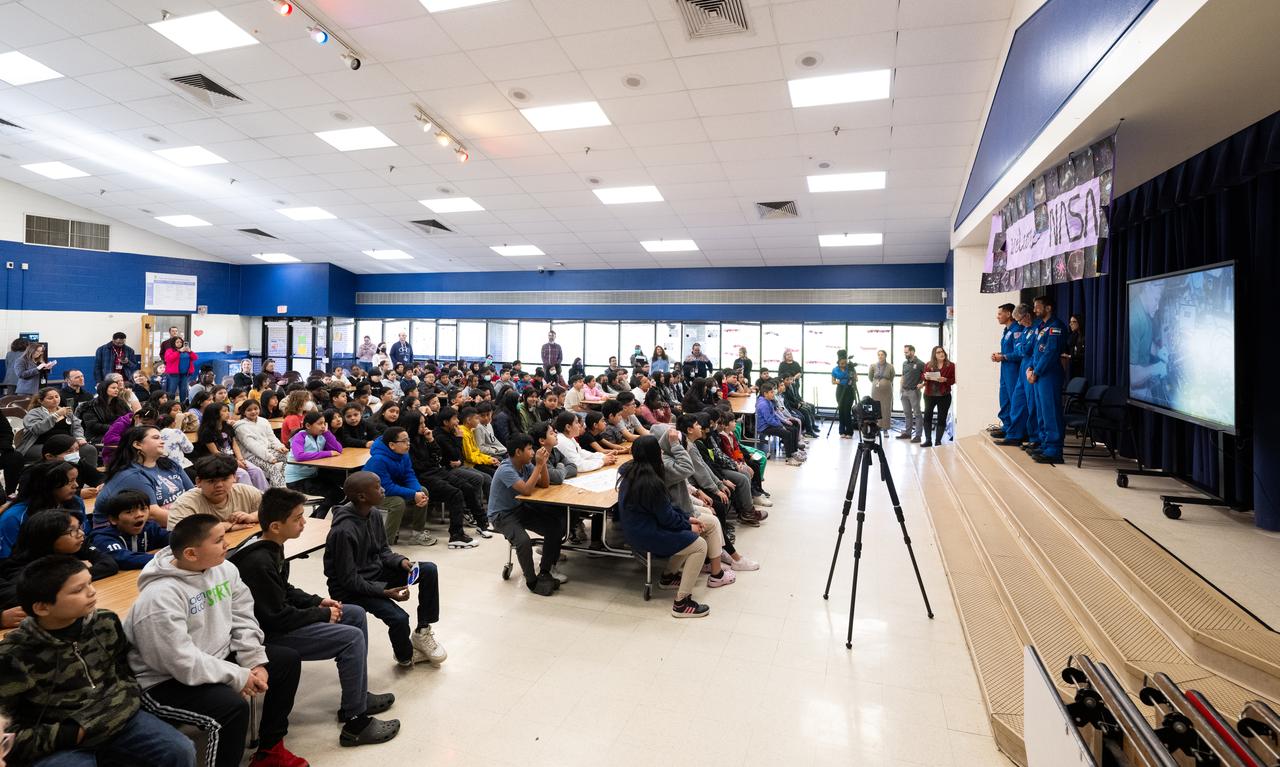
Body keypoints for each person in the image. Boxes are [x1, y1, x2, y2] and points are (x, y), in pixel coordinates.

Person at [123, 514, 307, 767]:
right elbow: (179, 660)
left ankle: (270, 751)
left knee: (286, 660)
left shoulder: (224, 568)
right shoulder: (159, 598)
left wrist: (254, 661)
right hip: (163, 680)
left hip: (214, 658)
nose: (227, 545)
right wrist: (237, 676)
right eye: (219, 540)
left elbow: (243, 616)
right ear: (190, 554)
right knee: (231, 708)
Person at [229, 488, 401, 748]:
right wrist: (321, 614)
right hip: (268, 634)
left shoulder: (271, 545)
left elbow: (283, 589)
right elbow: (276, 617)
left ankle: (356, 698)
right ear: (276, 526)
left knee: (353, 613)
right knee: (350, 638)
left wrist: (317, 601)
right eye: (298, 518)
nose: (304, 521)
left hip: (278, 619)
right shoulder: (258, 562)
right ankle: (356, 723)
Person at [0, 555, 196, 767]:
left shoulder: (105, 622)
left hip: (120, 719)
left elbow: (124, 669)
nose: (92, 592)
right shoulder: (13, 656)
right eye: (77, 590)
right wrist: (69, 734)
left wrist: (122, 704)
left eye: (90, 583)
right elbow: (6, 734)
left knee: (178, 750)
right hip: (60, 742)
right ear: (42, 608)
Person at [323, 472, 448, 668]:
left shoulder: (372, 513)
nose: (383, 490)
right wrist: (383, 592)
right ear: (362, 497)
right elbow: (348, 579)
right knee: (399, 618)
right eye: (377, 487)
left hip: (374, 573)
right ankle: (405, 657)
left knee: (428, 570)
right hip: (351, 589)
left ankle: (422, 631)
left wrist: (401, 561)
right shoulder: (343, 531)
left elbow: (382, 550)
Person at [618, 435, 733, 619]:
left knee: (691, 537)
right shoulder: (651, 482)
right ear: (654, 454)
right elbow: (666, 518)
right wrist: (688, 527)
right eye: (659, 449)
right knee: (699, 544)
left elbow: (667, 511)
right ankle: (682, 602)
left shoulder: (631, 473)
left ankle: (669, 577)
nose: (662, 451)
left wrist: (687, 519)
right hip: (647, 535)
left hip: (639, 530)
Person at [487, 433, 566, 597]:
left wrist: (542, 463)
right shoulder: (505, 469)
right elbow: (527, 490)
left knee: (554, 526)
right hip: (502, 515)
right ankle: (532, 581)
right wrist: (538, 465)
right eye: (529, 449)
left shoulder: (525, 465)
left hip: (519, 509)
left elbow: (544, 483)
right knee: (523, 541)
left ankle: (545, 571)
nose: (532, 452)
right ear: (518, 452)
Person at [97, 425, 193, 528]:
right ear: (138, 444)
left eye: (161, 438)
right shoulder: (132, 475)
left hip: (172, 522)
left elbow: (193, 494)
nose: (162, 442)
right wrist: (198, 522)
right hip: (123, 534)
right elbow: (154, 515)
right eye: (156, 438)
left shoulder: (170, 464)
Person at [0, 509, 118, 584]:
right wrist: (76, 569)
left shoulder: (77, 544)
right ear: (48, 538)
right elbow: (34, 590)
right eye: (72, 531)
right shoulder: (18, 566)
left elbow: (109, 565)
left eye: (79, 528)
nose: (81, 534)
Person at [0, 460, 91, 557]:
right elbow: (8, 560)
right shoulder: (14, 518)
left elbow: (86, 537)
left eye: (76, 479)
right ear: (49, 485)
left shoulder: (75, 502)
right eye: (70, 481)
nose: (76, 485)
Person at [364, 427, 434, 547]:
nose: (408, 444)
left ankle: (417, 533)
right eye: (404, 441)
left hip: (389, 488)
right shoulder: (378, 460)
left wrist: (417, 492)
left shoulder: (403, 454)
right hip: (371, 494)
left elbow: (409, 475)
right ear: (392, 445)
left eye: (408, 440)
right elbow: (387, 488)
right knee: (397, 502)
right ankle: (384, 544)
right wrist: (413, 494)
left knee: (423, 491)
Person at [168, 454, 263, 531]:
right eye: (211, 481)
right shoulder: (185, 504)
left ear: (234, 477)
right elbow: (179, 535)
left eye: (225, 479)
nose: (219, 485)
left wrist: (253, 516)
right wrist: (225, 526)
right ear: (198, 482)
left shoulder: (247, 492)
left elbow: (274, 510)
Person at [1028, 295, 1069, 464]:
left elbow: (1050, 353)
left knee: (1051, 411)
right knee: (1042, 412)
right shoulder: (1041, 326)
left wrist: (1036, 371)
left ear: (1048, 308)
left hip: (1049, 375)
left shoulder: (1056, 327)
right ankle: (1045, 444)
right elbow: (1037, 351)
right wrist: (1030, 369)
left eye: (1038, 307)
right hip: (1039, 374)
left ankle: (1054, 449)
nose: (1035, 310)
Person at [285, 410, 346, 518]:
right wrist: (326, 453)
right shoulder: (300, 436)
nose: (323, 426)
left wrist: (327, 433)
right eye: (319, 424)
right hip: (297, 480)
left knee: (342, 492)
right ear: (308, 425)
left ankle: (317, 517)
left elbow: (338, 449)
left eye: (324, 423)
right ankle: (317, 518)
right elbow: (300, 456)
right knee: (334, 494)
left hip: (312, 477)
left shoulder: (322, 436)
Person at [17, 385, 98, 465]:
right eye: (50, 398)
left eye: (57, 396)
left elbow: (77, 426)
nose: (55, 400)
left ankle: (87, 476)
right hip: (40, 444)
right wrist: (56, 415)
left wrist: (79, 437)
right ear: (40, 401)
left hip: (67, 444)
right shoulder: (34, 413)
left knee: (89, 449)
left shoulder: (66, 411)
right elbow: (37, 429)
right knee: (59, 454)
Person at [92, 489, 171, 569]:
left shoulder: (151, 528)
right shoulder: (103, 538)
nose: (139, 514)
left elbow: (176, 540)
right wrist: (165, 559)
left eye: (143, 509)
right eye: (129, 512)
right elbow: (124, 559)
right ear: (113, 520)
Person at [197, 402, 268, 491]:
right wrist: (234, 462)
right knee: (242, 474)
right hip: (219, 461)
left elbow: (234, 445)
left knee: (256, 471)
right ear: (215, 413)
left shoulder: (228, 427)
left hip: (234, 459)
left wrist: (240, 459)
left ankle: (265, 495)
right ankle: (249, 498)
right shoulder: (207, 432)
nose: (228, 413)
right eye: (225, 411)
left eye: (228, 411)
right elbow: (215, 452)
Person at [996, 305, 1037, 447]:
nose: (1018, 322)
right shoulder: (1023, 329)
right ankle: (1012, 431)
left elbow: (1023, 350)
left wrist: (1006, 356)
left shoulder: (1024, 329)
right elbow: (1021, 348)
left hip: (1023, 367)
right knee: (1011, 399)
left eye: (1000, 313)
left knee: (1027, 403)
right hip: (1016, 368)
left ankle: (1031, 436)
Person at [234, 398, 289, 488]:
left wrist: (279, 446)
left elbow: (271, 437)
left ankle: (282, 485)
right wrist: (269, 458)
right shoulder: (240, 427)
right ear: (244, 412)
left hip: (267, 451)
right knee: (273, 468)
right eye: (249, 410)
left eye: (256, 409)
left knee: (288, 456)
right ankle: (277, 494)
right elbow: (252, 446)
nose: (253, 412)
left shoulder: (263, 421)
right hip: (251, 456)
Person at [756, 382, 805, 465]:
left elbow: (774, 415)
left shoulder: (768, 401)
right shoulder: (763, 404)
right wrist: (781, 425)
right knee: (787, 433)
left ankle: (794, 451)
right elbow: (769, 420)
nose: (773, 393)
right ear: (765, 393)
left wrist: (782, 423)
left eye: (773, 391)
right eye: (771, 392)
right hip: (764, 427)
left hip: (770, 424)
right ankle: (789, 458)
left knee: (793, 428)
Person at [919, 346, 957, 448]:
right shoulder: (928, 364)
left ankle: (938, 441)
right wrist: (925, 377)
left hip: (944, 396)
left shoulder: (951, 365)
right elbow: (923, 376)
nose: (941, 354)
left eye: (942, 352)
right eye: (938, 352)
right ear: (934, 355)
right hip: (929, 395)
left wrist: (945, 380)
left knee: (942, 418)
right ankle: (928, 440)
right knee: (927, 417)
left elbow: (953, 380)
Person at [990, 303, 1017, 439]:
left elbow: (1019, 353)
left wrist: (1004, 356)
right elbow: (1008, 350)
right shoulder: (1006, 331)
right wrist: (999, 355)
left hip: (1013, 370)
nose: (997, 317)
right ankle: (1007, 426)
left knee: (1014, 399)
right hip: (1005, 369)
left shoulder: (1017, 329)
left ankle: (1014, 429)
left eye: (1000, 314)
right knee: (1004, 398)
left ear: (1008, 314)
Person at [79, 379, 132, 444]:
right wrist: (115, 428)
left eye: (117, 388)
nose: (116, 390)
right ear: (104, 389)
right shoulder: (91, 405)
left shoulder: (120, 402)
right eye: (113, 388)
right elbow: (92, 425)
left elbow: (129, 416)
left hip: (118, 432)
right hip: (98, 436)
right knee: (124, 441)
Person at [897, 345, 925, 442]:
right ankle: (908, 433)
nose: (905, 354)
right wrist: (900, 389)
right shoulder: (904, 363)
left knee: (917, 413)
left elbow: (926, 377)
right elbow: (903, 376)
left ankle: (918, 436)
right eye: (904, 352)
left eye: (907, 352)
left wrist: (922, 384)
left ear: (912, 352)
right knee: (907, 413)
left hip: (914, 391)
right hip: (904, 391)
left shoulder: (920, 363)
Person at [161, 338, 196, 404]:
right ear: (173, 343)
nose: (179, 343)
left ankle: (183, 404)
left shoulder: (186, 351)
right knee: (172, 390)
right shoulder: (169, 350)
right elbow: (169, 359)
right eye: (177, 342)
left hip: (185, 374)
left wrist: (190, 351)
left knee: (183, 390)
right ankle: (170, 404)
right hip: (173, 374)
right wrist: (179, 351)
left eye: (180, 342)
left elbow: (195, 358)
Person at [832, 350, 857, 439]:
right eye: (842, 363)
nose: (843, 365)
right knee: (841, 410)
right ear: (838, 362)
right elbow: (833, 381)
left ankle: (849, 431)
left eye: (845, 363)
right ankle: (841, 431)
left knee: (847, 410)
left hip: (849, 390)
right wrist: (837, 382)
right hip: (840, 390)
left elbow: (856, 378)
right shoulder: (835, 369)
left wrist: (852, 379)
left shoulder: (850, 368)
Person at [868, 350, 895, 431]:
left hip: (887, 391)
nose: (880, 356)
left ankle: (886, 428)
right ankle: (877, 427)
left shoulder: (890, 366)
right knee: (876, 407)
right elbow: (870, 377)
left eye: (882, 354)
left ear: (885, 356)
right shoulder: (873, 366)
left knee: (886, 408)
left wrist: (885, 383)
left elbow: (892, 377)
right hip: (876, 391)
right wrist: (876, 382)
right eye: (879, 355)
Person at [1063, 313, 1086, 379]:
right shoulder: (1073, 336)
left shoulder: (1086, 336)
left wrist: (1070, 356)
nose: (1070, 324)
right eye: (1070, 322)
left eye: (1074, 322)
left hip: (1083, 369)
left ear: (1080, 322)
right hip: (1074, 369)